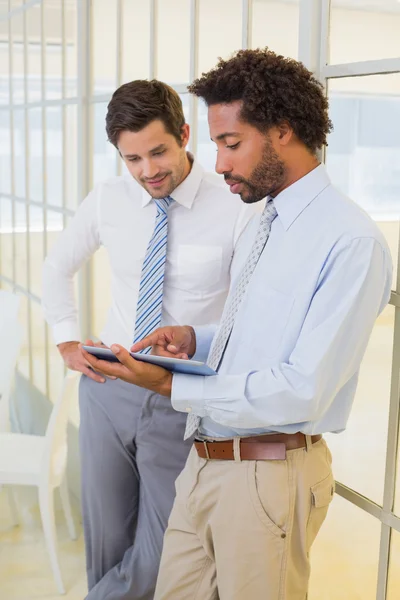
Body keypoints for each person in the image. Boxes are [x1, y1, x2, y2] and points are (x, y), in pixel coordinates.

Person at [81, 49, 393, 600]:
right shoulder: (262, 221)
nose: (219, 163)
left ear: (283, 131)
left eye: (231, 144)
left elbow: (302, 389)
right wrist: (196, 340)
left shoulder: (350, 241)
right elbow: (254, 334)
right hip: (204, 461)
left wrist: (172, 383)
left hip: (268, 473)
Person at [42, 79, 255, 600]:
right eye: (131, 158)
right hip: (107, 386)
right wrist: (68, 341)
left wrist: (198, 345)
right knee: (107, 539)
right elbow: (56, 267)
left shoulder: (235, 206)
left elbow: (249, 309)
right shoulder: (109, 199)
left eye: (158, 152)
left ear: (184, 134)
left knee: (165, 549)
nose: (147, 171)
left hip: (178, 397)